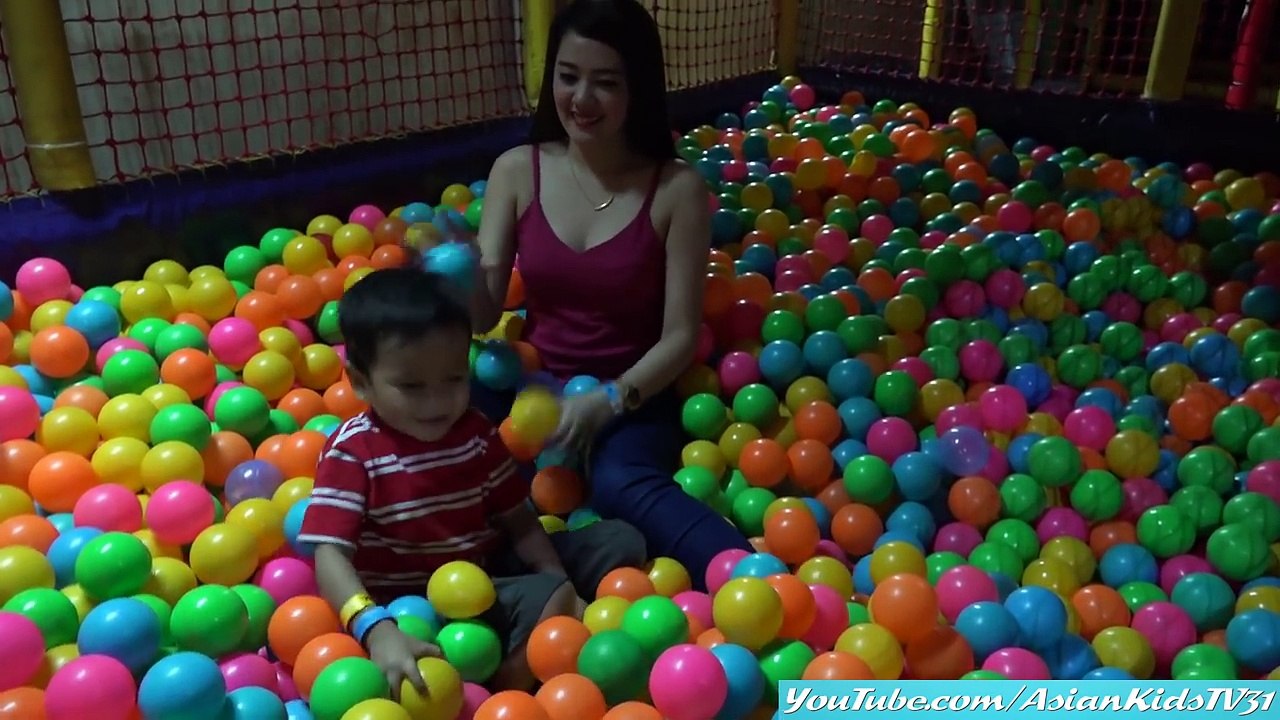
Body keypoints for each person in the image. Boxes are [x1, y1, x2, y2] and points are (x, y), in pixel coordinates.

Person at [467, 0, 753, 591]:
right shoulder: (517, 171)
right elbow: (485, 310)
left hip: (634, 392)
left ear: (638, 91)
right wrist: (456, 279)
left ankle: (755, 586)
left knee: (620, 482)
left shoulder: (675, 189)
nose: (582, 99)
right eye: (568, 77)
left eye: (605, 83)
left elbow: (679, 336)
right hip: (532, 382)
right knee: (454, 449)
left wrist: (608, 402)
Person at [298, 266, 646, 696]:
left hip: (485, 573)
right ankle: (499, 694)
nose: (438, 401)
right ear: (361, 382)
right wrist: (375, 627)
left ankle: (543, 619)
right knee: (552, 598)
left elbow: (517, 519)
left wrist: (556, 575)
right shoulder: (353, 452)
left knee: (621, 540)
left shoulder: (476, 433)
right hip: (409, 604)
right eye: (411, 386)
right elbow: (329, 554)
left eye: (455, 379)